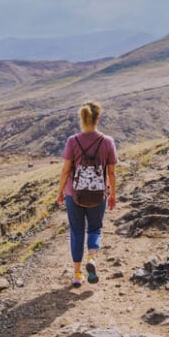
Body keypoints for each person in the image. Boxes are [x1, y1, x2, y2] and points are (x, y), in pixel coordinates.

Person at [56, 101, 117, 288]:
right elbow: (111, 173)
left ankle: (77, 274)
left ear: (82, 118)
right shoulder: (107, 142)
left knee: (76, 231)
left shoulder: (72, 141)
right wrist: (112, 193)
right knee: (94, 229)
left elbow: (66, 170)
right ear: (98, 118)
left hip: (73, 194)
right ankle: (91, 257)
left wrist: (59, 193)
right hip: (98, 194)